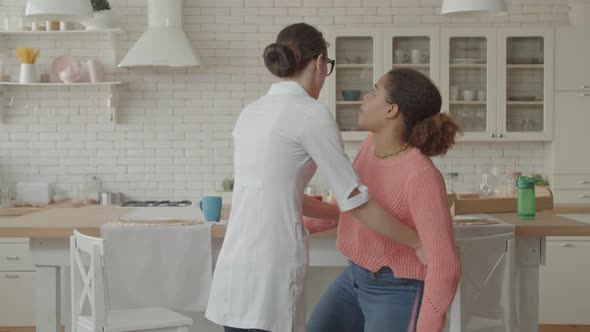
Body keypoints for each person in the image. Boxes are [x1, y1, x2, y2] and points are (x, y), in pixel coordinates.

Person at [205, 24, 425, 332]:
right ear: (320, 63)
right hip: (272, 264)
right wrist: (417, 241)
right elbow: (355, 199)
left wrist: (338, 215)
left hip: (236, 263)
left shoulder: (251, 112)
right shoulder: (310, 114)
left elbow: (280, 193)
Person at [305, 68, 462, 332]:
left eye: (374, 91)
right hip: (355, 277)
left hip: (398, 289)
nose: (364, 98)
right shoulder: (369, 148)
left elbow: (445, 266)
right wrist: (295, 223)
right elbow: (350, 206)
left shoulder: (421, 176)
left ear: (392, 110)